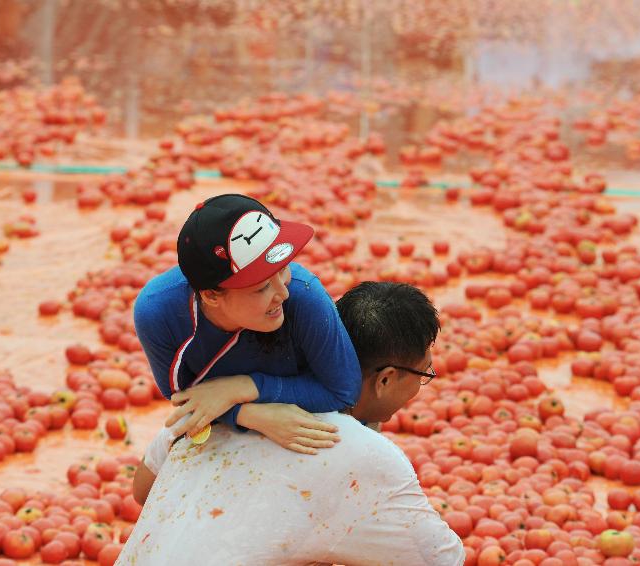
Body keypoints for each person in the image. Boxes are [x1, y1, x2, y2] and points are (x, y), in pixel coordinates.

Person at [120, 282, 465, 566]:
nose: (424, 383)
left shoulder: (218, 395)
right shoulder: (360, 454)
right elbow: (443, 559)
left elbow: (142, 490)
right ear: (385, 379)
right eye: (424, 374)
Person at [133, 193, 362, 453]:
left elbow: (344, 392)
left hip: (318, 430)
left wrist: (243, 387)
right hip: (224, 433)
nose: (283, 293)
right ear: (210, 295)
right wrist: (248, 415)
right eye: (263, 287)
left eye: (283, 268)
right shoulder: (158, 313)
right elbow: (186, 399)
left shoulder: (303, 294)